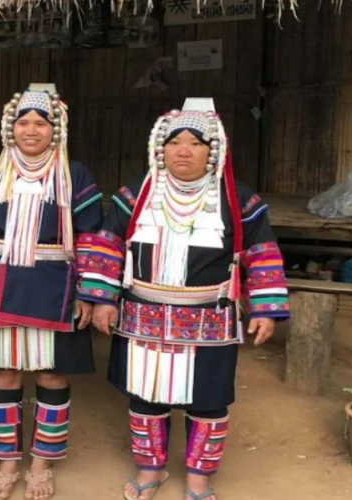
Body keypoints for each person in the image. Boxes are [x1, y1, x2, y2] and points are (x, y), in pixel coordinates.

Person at [84, 99, 291, 500]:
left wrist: (264, 308)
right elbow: (108, 245)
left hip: (209, 318)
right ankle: (151, 469)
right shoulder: (136, 194)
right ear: (159, 149)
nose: (183, 150)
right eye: (174, 142)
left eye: (194, 143)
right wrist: (103, 299)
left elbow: (261, 251)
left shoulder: (237, 199)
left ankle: (199, 477)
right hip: (143, 314)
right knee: (145, 395)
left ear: (212, 151)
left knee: (208, 400)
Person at [0, 84, 103, 500]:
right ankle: (7, 457)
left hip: (57, 284)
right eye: (24, 122)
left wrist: (89, 293)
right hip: (0, 280)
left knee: (51, 373)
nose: (31, 130)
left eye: (41, 123)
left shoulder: (75, 175)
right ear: (11, 128)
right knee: (4, 371)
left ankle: (42, 460)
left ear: (55, 130)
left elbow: (93, 238)